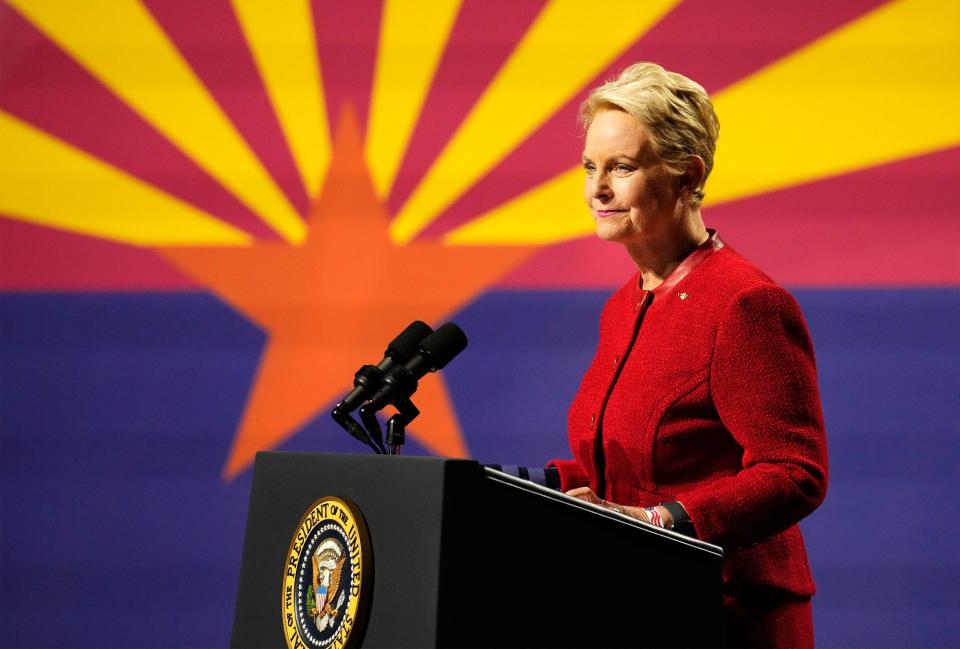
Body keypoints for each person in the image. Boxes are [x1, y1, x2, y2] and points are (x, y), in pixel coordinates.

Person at [549, 62, 828, 648]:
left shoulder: (746, 304)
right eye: (590, 168)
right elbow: (624, 470)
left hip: (728, 616)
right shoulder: (623, 305)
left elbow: (795, 472)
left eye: (621, 168)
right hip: (634, 605)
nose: (597, 190)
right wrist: (530, 487)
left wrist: (659, 524)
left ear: (686, 175)